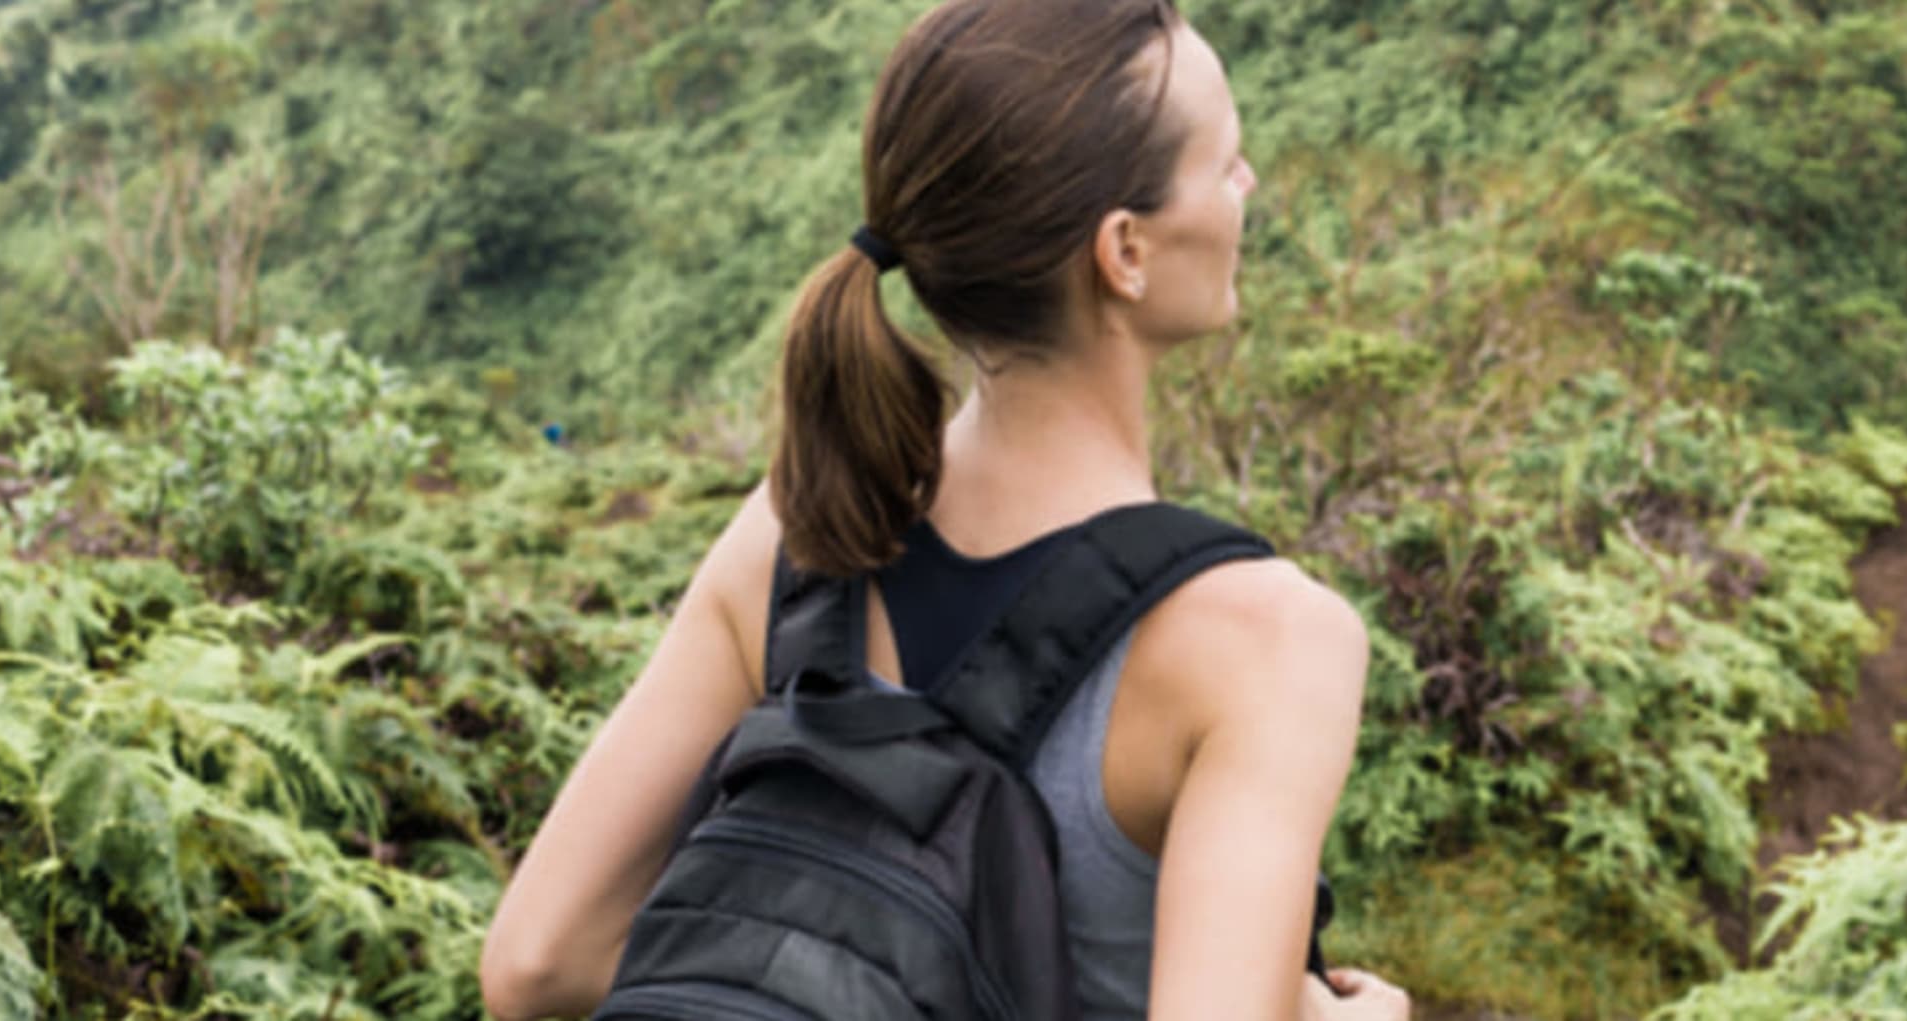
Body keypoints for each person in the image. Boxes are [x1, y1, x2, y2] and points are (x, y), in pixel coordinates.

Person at [475, 0, 1407, 1017]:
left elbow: (536, 964)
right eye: (1225, 160)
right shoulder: (1266, 642)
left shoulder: (798, 525)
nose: (1249, 182)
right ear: (1126, 251)